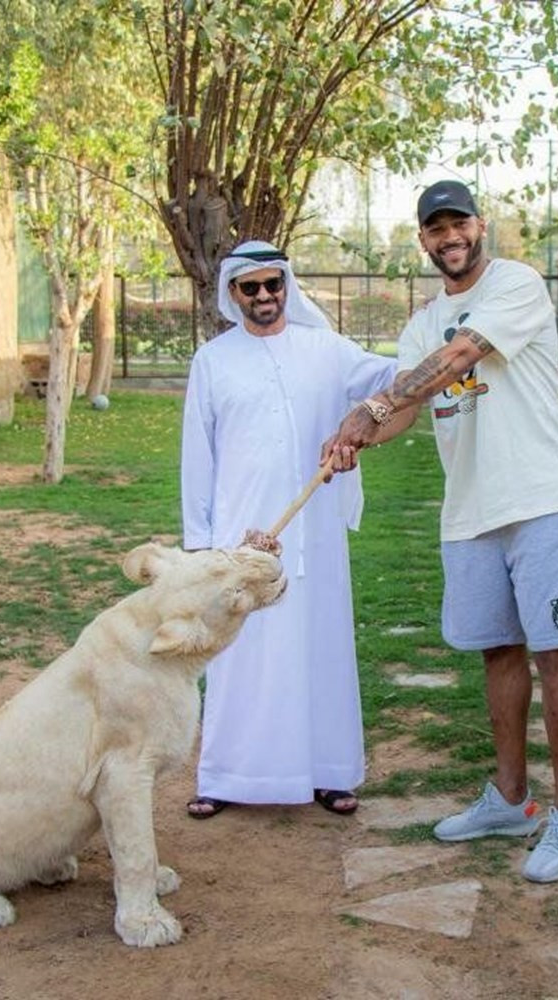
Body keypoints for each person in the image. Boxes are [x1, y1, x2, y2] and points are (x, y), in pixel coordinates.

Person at [325, 180, 558, 882]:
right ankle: (512, 799)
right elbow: (406, 408)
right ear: (421, 241)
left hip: (541, 499)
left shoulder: (516, 285)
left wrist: (380, 402)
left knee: (556, 657)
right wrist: (355, 433)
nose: (449, 237)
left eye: (459, 224)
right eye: (435, 229)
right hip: (470, 515)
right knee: (497, 655)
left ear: (481, 226)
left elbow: (459, 359)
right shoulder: (422, 324)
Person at [180, 239, 396, 819]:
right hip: (241, 532)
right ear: (233, 293)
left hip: (316, 532)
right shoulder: (213, 361)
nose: (265, 296)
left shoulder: (326, 350)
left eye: (274, 284)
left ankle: (329, 772)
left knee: (321, 648)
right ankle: (225, 776)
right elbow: (197, 456)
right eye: (251, 287)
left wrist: (440, 341)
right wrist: (202, 543)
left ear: (287, 286)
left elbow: (393, 377)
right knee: (241, 654)